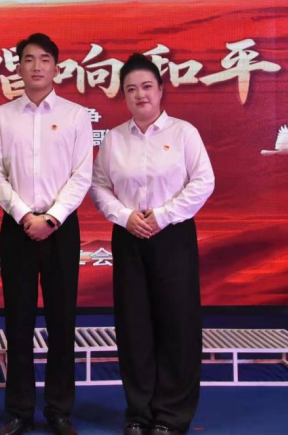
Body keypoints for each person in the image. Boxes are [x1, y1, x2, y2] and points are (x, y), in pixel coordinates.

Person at [89, 53, 214, 435]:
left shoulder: (183, 133)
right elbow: (99, 186)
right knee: (134, 327)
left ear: (160, 90)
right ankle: (138, 412)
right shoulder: (114, 139)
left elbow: (203, 181)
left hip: (172, 234)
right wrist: (124, 216)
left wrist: (162, 215)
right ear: (124, 95)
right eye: (131, 89)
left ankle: (171, 415)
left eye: (146, 86)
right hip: (129, 236)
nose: (140, 94)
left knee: (177, 324)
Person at [0, 33, 93, 435]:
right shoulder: (2, 116)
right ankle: (19, 410)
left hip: (61, 229)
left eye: (44, 59)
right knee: (19, 320)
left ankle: (59, 410)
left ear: (56, 67)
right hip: (17, 228)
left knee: (62, 320)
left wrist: (52, 218)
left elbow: (81, 174)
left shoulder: (76, 115)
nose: (36, 67)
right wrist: (23, 214)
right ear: (18, 67)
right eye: (28, 59)